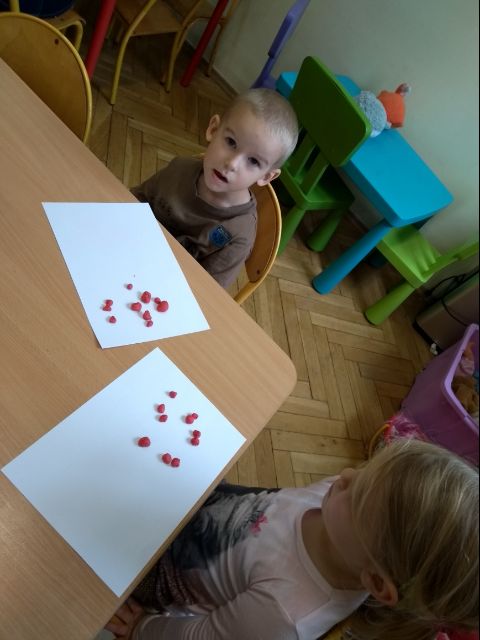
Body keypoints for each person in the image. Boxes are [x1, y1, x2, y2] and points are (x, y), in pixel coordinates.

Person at [105, 440, 479, 640]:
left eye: (359, 494)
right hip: (206, 515)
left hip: (166, 578)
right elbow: (267, 511)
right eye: (366, 470)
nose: (345, 475)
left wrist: (141, 629)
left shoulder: (283, 616)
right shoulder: (338, 503)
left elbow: (197, 637)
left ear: (377, 582)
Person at [131, 88, 299, 288]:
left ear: (266, 176)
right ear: (213, 129)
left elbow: (206, 292)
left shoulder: (239, 233)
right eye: (231, 142)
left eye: (253, 161)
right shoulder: (178, 168)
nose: (232, 164)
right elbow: (132, 201)